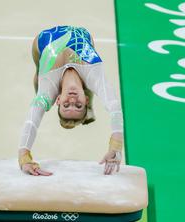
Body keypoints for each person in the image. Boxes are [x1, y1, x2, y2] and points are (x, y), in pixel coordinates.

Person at [18, 25, 124, 176]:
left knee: (40, 93)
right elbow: (114, 106)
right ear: (86, 100)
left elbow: (31, 122)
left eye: (66, 105)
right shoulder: (94, 72)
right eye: (78, 105)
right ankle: (76, 105)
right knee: (90, 84)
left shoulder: (48, 86)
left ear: (59, 100)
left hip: (43, 39)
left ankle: (43, 104)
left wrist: (24, 157)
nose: (72, 99)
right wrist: (116, 145)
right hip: (84, 35)